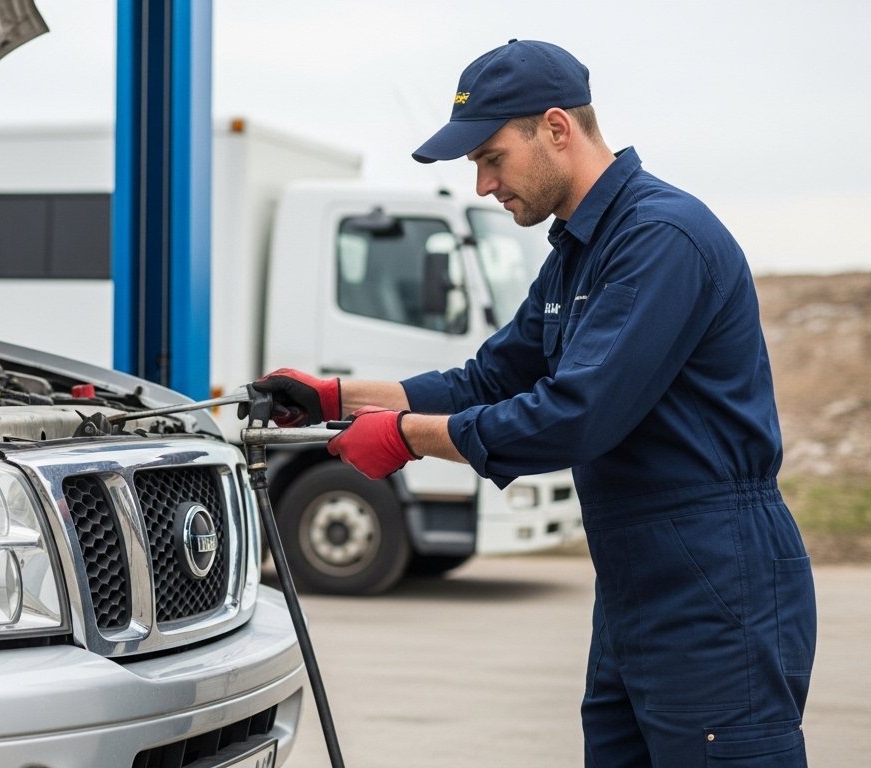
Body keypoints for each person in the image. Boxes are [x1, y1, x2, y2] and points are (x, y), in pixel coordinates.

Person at [253, 40, 817, 766]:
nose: (485, 184)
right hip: (637, 586)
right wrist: (337, 397)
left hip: (714, 581)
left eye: (491, 158)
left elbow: (576, 415)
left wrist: (408, 437)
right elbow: (491, 379)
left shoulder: (660, 240)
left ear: (556, 129)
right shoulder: (578, 254)